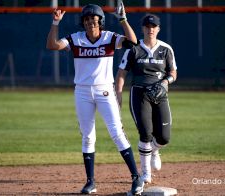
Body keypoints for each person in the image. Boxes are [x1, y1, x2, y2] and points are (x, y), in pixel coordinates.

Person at [46, 3, 144, 195]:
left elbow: (133, 43)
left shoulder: (109, 38)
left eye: (95, 19)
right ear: (83, 22)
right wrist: (55, 22)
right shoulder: (77, 39)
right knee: (88, 136)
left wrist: (123, 20)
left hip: (105, 90)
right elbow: (52, 45)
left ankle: (136, 177)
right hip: (82, 91)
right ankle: (90, 182)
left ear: (101, 21)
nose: (91, 22)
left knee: (116, 133)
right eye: (88, 19)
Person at [115, 14, 177, 184]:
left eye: (154, 26)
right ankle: (145, 174)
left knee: (164, 138)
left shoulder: (166, 49)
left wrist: (166, 82)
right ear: (142, 28)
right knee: (145, 134)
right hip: (139, 94)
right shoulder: (134, 48)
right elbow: (121, 73)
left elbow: (173, 73)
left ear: (158, 29)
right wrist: (118, 93)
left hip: (160, 94)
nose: (150, 29)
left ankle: (154, 151)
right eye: (147, 26)